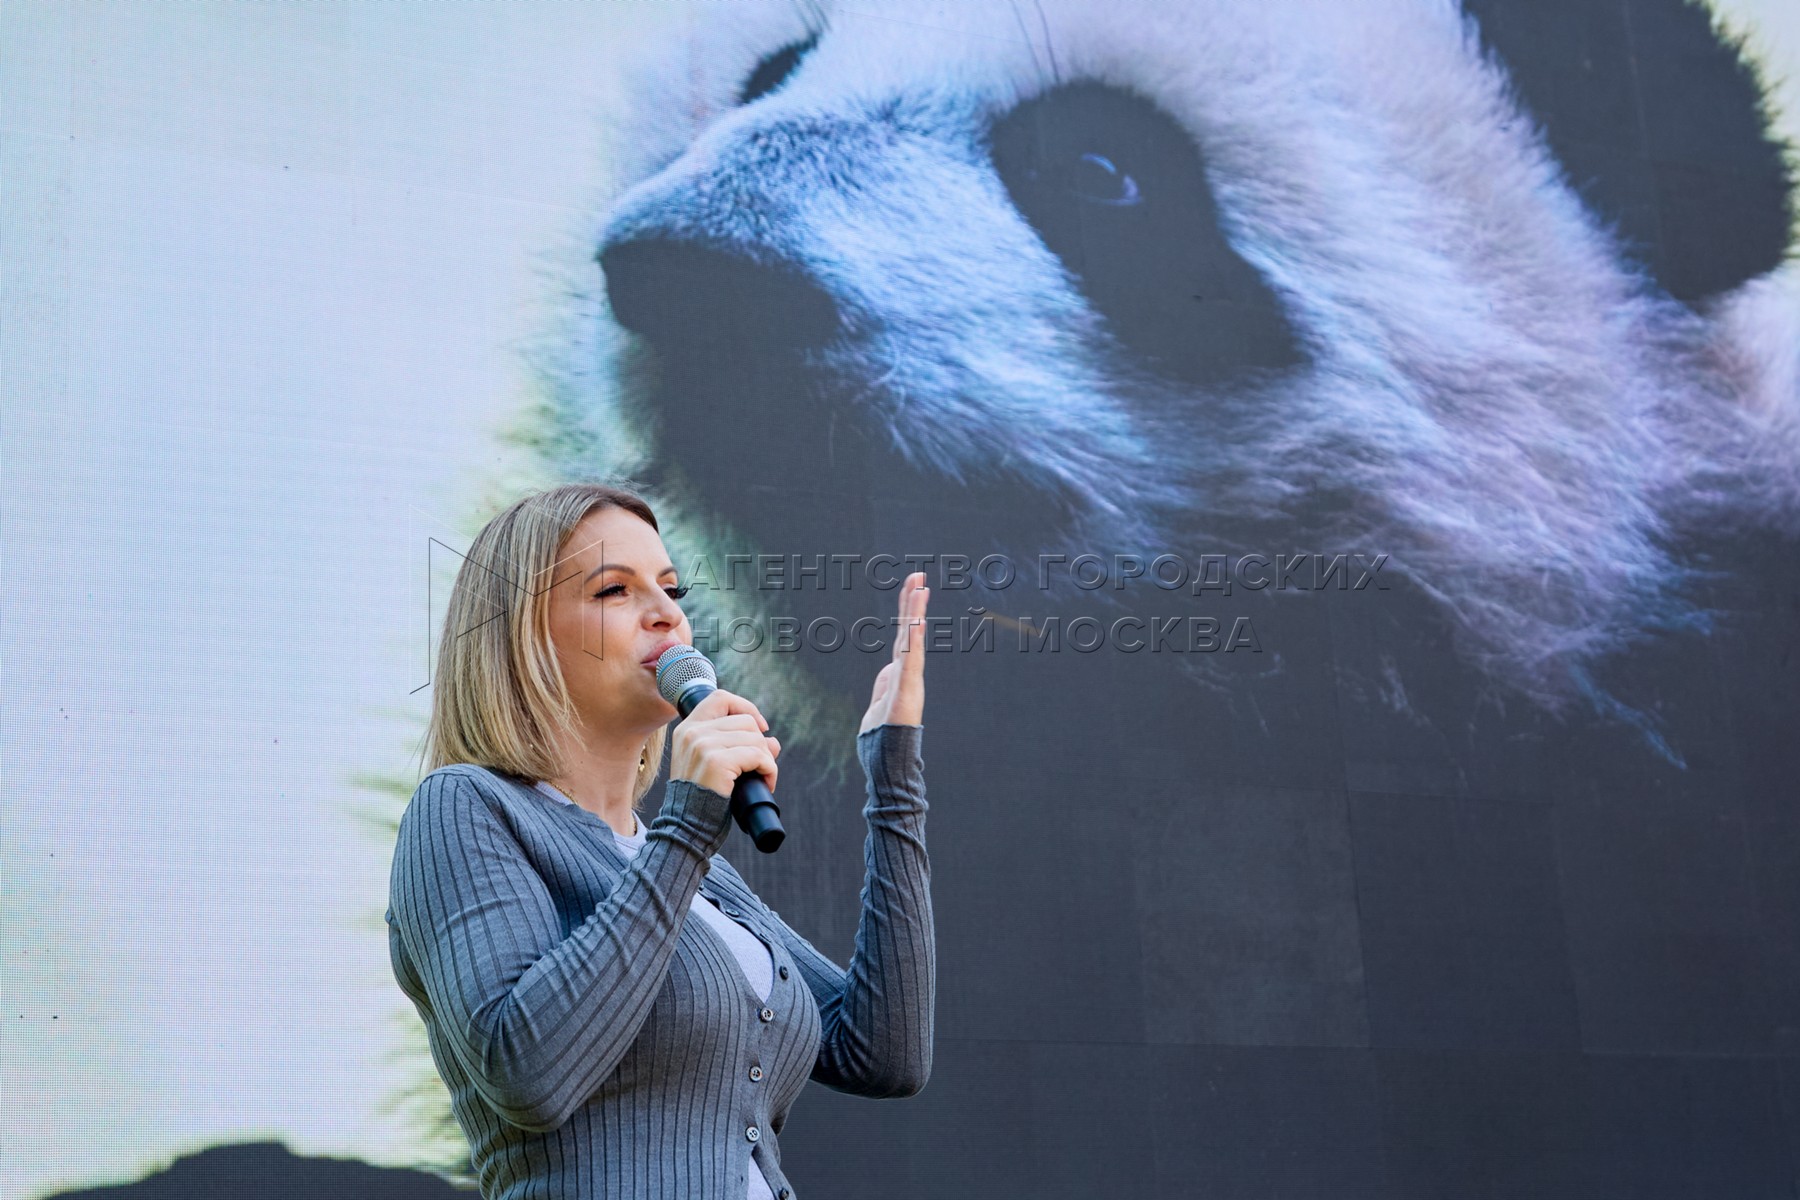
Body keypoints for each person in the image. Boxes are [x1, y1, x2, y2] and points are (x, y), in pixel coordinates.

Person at [385, 482, 934, 1200]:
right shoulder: (466, 807)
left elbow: (884, 1052)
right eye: (614, 590)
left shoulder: (692, 868)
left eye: (671, 589)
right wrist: (688, 826)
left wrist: (893, 774)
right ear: (522, 638)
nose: (667, 613)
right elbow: (528, 1073)